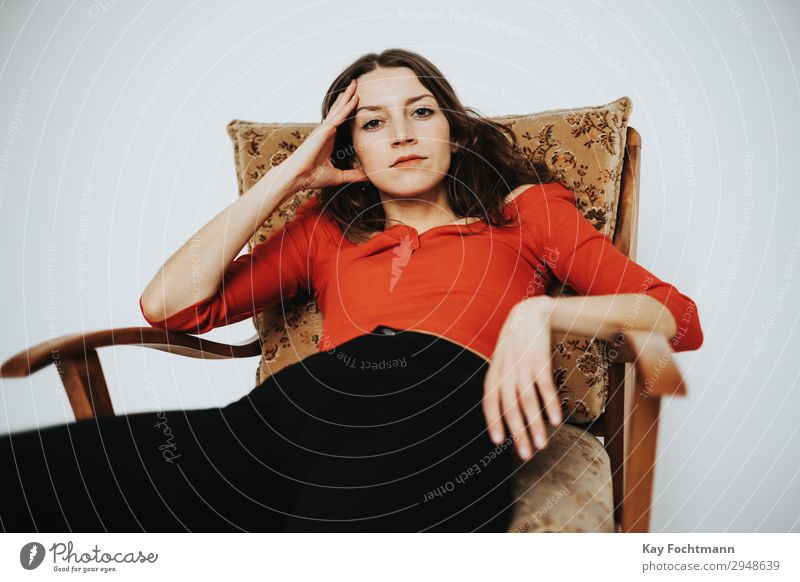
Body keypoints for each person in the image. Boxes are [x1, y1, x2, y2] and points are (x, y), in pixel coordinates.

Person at [0, 49, 703, 533]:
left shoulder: (525, 211)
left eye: (421, 111)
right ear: (350, 151)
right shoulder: (326, 230)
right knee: (32, 479)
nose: (401, 133)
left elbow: (674, 317)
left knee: (328, 529)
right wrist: (293, 178)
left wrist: (539, 313)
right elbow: (168, 304)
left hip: (449, 406)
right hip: (289, 413)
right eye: (372, 122)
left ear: (452, 130)